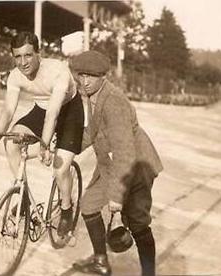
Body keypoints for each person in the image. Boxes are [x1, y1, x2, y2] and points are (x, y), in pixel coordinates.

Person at [0, 32, 84, 236]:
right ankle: (24, 198)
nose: (23, 62)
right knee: (12, 140)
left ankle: (67, 209)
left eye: (28, 55)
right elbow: (8, 111)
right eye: (18, 57)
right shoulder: (15, 76)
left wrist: (44, 144)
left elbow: (53, 113)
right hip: (41, 108)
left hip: (69, 111)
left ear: (38, 54)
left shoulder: (57, 71)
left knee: (60, 169)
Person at [70, 50, 163, 276]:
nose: (84, 81)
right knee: (90, 205)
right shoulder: (94, 96)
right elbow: (93, 134)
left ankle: (148, 273)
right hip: (113, 164)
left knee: (137, 223)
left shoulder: (113, 101)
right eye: (81, 75)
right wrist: (65, 147)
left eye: (90, 76)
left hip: (136, 167)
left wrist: (116, 195)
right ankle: (101, 262)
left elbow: (124, 151)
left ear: (103, 76)